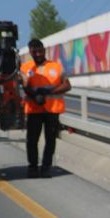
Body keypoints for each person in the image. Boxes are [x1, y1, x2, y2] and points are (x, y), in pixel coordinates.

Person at [20, 38, 71, 178]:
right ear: (30, 52)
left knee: (50, 140)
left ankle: (46, 167)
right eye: (34, 51)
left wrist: (49, 92)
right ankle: (32, 167)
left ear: (44, 50)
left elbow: (67, 85)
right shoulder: (26, 68)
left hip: (52, 110)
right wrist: (35, 96)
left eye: (40, 51)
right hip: (33, 110)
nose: (37, 54)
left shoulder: (56, 66)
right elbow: (24, 86)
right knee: (32, 140)